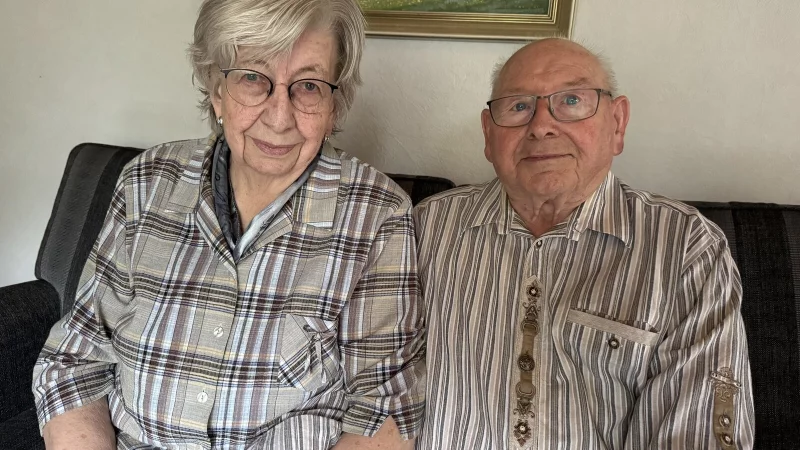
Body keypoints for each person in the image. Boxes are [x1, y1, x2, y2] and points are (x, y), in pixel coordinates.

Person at [32, 1, 425, 449]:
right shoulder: (148, 182)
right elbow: (75, 361)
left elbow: (384, 412)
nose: (279, 118)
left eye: (309, 86)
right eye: (253, 78)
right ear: (217, 90)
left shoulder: (377, 215)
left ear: (335, 105)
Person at [414, 38, 754, 449]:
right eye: (518, 106)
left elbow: (697, 435)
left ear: (617, 123)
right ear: (489, 135)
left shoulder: (685, 248)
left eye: (572, 100)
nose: (540, 125)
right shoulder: (424, 229)